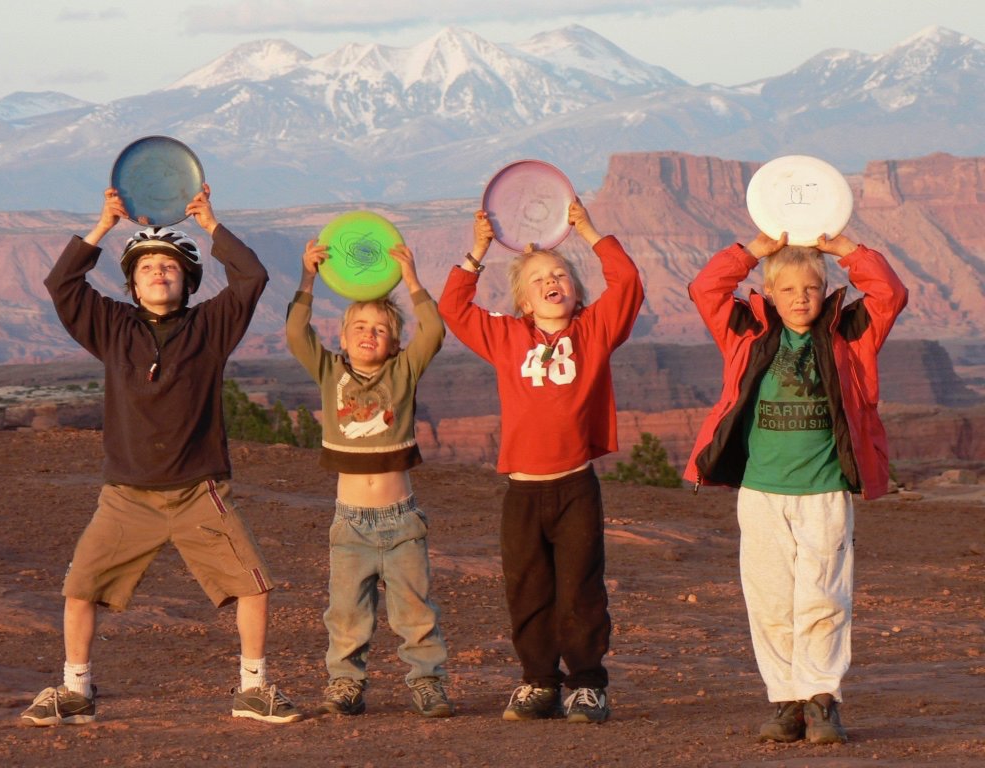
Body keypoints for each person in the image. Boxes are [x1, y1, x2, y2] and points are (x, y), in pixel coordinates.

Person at [21, 185, 302, 726]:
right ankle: (75, 690)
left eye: (169, 266)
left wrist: (211, 226)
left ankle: (254, 688)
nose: (158, 272)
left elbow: (253, 279)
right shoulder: (112, 327)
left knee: (254, 585)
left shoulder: (210, 329)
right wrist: (101, 226)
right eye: (147, 265)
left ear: (188, 280)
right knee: (80, 589)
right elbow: (62, 284)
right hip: (127, 494)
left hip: (201, 490)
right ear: (131, 281)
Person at [684, 230, 908, 744]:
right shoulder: (748, 331)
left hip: (823, 492)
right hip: (761, 493)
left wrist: (846, 251)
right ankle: (786, 701)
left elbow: (890, 294)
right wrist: (754, 252)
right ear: (770, 294)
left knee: (824, 597)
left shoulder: (849, 334)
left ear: (825, 289)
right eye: (787, 290)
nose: (800, 298)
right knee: (769, 599)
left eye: (810, 287)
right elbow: (706, 289)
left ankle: (821, 699)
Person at [436, 202, 644, 724]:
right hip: (523, 492)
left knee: (581, 590)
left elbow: (628, 281)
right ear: (524, 301)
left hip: (575, 487)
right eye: (538, 279)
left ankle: (588, 684)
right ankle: (538, 683)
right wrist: (478, 250)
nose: (552, 281)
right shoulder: (507, 337)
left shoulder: (594, 331)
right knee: (527, 591)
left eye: (560, 274)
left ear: (575, 289)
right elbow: (454, 309)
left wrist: (589, 231)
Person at [285, 237, 453, 718]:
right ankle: (345, 684)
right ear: (341, 337)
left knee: (415, 612)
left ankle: (427, 684)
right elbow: (297, 335)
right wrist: (308, 277)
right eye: (359, 326)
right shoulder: (328, 372)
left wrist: (414, 281)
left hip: (402, 522)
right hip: (351, 524)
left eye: (380, 329)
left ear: (395, 342)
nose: (368, 334)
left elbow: (434, 331)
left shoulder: (404, 371)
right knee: (346, 614)